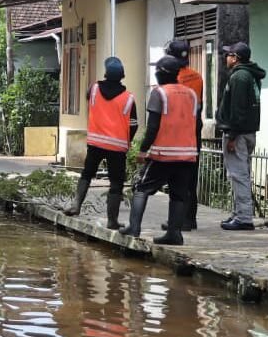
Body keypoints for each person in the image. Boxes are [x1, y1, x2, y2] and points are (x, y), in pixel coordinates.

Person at [120, 55, 199, 245]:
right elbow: (196, 124)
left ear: (161, 74)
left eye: (157, 70)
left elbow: (153, 126)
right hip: (187, 154)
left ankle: (134, 228)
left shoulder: (159, 93)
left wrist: (142, 150)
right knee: (179, 194)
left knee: (141, 188)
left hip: (163, 154)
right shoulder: (191, 94)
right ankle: (174, 233)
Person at [65, 57, 138, 229]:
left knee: (87, 174)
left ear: (105, 74)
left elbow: (87, 97)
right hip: (117, 146)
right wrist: (127, 142)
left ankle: (76, 206)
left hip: (95, 142)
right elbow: (134, 125)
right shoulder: (128, 98)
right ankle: (112, 221)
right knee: (116, 182)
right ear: (122, 76)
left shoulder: (94, 89)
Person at [215, 42, 265, 230]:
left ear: (235, 58)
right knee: (240, 173)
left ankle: (244, 217)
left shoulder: (239, 77)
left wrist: (233, 135)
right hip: (248, 131)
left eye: (228, 55)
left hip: (238, 133)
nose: (226, 58)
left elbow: (237, 109)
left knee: (239, 175)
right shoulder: (250, 75)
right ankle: (238, 213)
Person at [162, 39, 203, 232]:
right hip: (194, 129)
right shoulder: (197, 76)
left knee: (175, 177)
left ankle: (176, 221)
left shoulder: (171, 77)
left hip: (176, 129)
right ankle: (189, 218)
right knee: (190, 175)